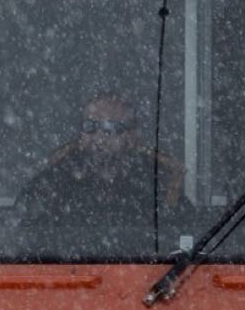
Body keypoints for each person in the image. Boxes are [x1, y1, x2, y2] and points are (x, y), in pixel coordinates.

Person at [13, 94, 190, 258]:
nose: (98, 137)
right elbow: (22, 241)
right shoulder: (52, 181)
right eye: (90, 126)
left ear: (132, 136)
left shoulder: (157, 185)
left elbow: (180, 242)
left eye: (110, 128)